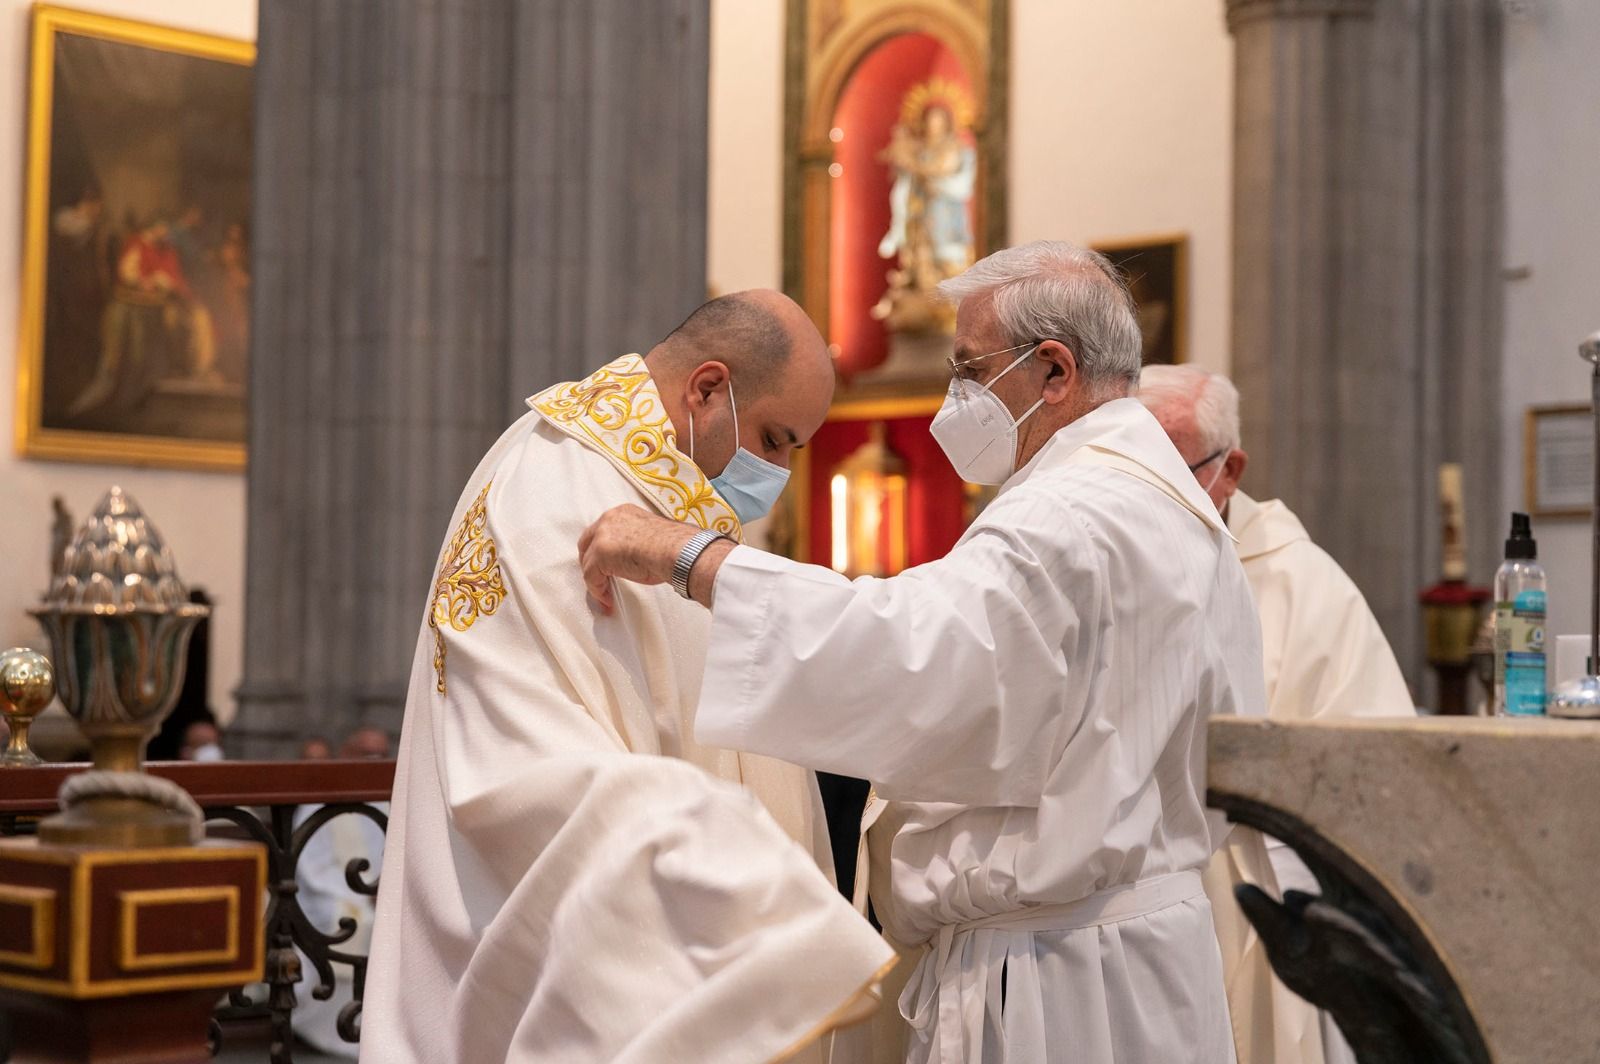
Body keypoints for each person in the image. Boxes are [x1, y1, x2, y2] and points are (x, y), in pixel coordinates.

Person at [580, 241, 1265, 1063]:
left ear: (1053, 371)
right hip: (1146, 959)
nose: (954, 396)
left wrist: (689, 557)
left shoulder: (1069, 514)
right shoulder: (1177, 511)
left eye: (969, 368)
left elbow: (903, 653)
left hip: (1057, 979)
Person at [362, 291, 895, 1064]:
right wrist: (748, 900)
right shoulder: (547, 488)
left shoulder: (676, 503)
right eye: (776, 441)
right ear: (707, 389)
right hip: (600, 990)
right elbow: (523, 767)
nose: (777, 472)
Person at [1139, 364, 1417, 1064]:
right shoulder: (1105, 557)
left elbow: (1372, 766)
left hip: (1244, 894)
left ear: (1229, 469)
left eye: (1168, 469)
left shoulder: (1303, 586)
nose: (1144, 496)